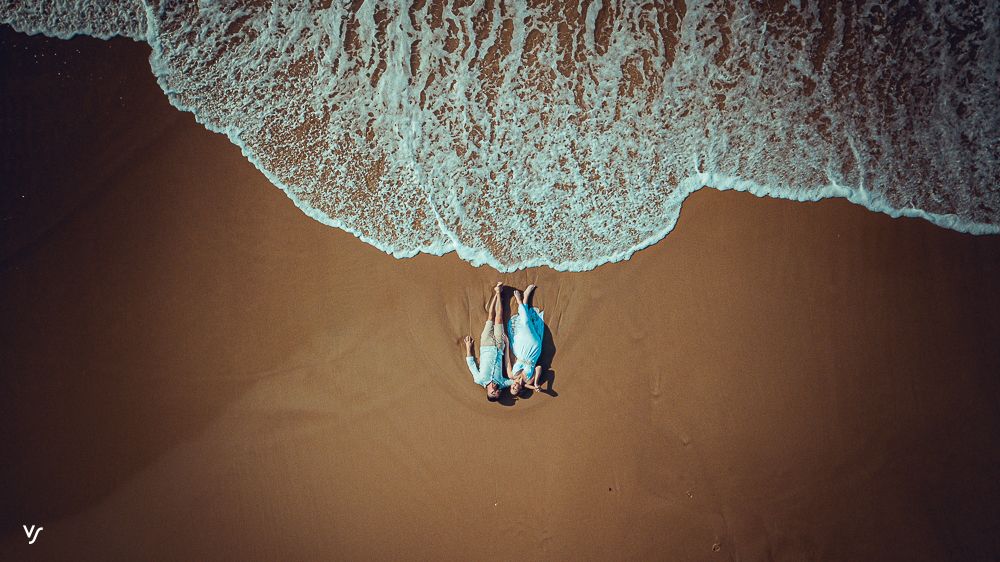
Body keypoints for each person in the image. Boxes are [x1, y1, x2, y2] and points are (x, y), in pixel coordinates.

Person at [464, 282, 512, 401]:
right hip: (500, 346)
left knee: (490, 318)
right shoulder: (502, 383)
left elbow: (471, 364)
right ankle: (498, 292)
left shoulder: (479, 379)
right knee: (499, 318)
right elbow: (516, 381)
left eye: (493, 392)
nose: (496, 390)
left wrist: (468, 347)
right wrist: (534, 384)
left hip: (486, 344)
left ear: (490, 392)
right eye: (498, 392)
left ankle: (496, 294)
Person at [505, 284, 544, 395]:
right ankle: (524, 300)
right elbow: (539, 367)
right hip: (534, 350)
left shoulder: (511, 375)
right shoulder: (529, 380)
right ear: (520, 389)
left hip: (520, 349)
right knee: (527, 324)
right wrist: (535, 383)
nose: (514, 386)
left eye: (512, 388)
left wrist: (507, 343)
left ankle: (521, 300)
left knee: (526, 323)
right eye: (515, 389)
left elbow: (507, 359)